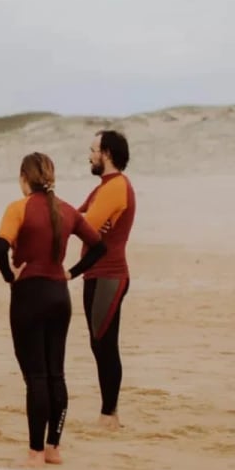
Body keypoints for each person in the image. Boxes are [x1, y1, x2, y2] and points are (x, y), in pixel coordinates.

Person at [0, 152, 107, 467]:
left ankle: (35, 452)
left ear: (23, 178)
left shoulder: (19, 208)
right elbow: (99, 246)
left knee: (36, 377)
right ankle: (53, 447)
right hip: (59, 296)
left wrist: (9, 276)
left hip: (28, 295)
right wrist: (71, 273)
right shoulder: (67, 210)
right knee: (56, 373)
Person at [77, 130, 136, 431]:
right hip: (97, 274)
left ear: (107, 154)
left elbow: (86, 225)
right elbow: (76, 216)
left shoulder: (116, 187)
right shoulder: (103, 187)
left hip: (109, 275)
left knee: (105, 344)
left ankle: (109, 415)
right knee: (99, 343)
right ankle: (110, 413)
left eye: (93, 150)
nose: (89, 156)